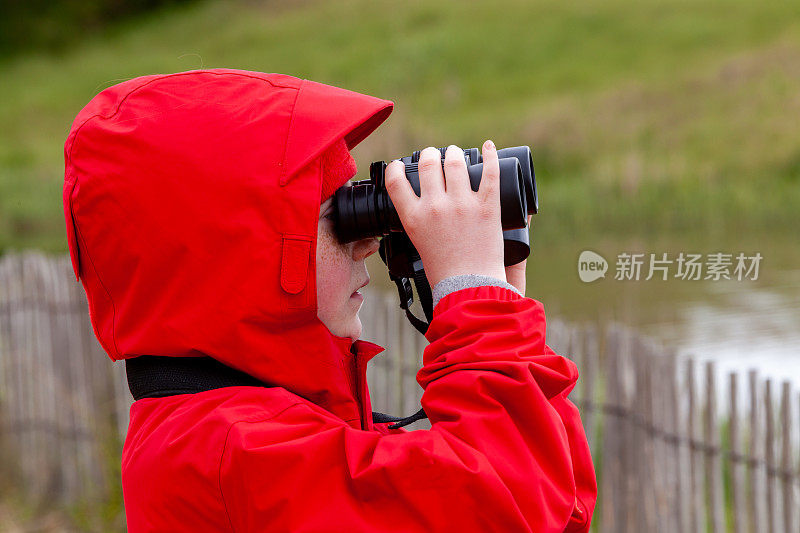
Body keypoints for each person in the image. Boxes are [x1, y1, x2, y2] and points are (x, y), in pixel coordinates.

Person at [63, 69, 596, 532]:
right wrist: (477, 309)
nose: (367, 241)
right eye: (331, 219)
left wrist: (499, 313)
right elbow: (500, 511)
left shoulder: (246, 427)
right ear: (237, 253)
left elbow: (553, 504)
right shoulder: (232, 453)